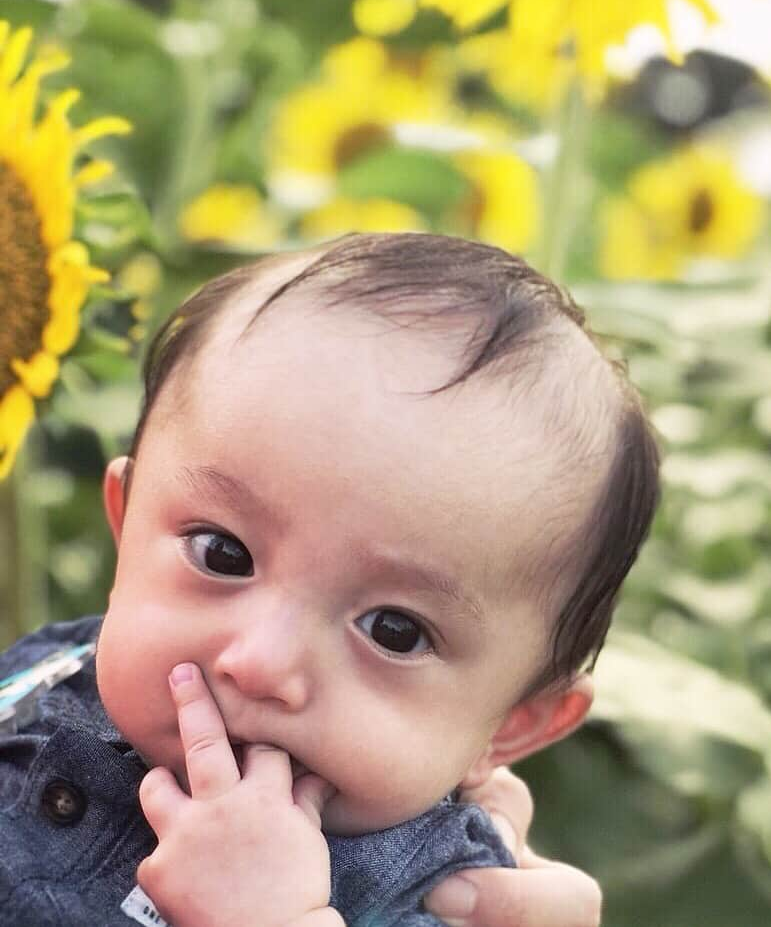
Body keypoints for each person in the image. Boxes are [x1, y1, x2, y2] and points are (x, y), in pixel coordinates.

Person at [0, 233, 661, 927]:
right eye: (223, 553)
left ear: (509, 726)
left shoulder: (432, 897)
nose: (261, 663)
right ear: (126, 527)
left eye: (393, 630)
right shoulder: (56, 671)